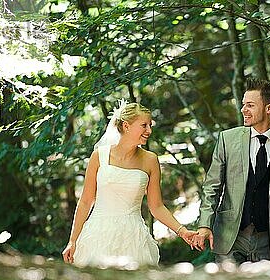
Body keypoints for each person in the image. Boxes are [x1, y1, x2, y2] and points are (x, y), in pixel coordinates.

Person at [193, 78, 270, 262]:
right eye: (243, 105)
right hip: (230, 238)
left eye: (250, 105)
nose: (243, 110)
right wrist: (205, 225)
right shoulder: (227, 139)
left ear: (268, 108)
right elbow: (212, 187)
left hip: (269, 240)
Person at [62, 101, 196, 266]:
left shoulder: (150, 160)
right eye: (144, 125)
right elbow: (85, 201)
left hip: (133, 237)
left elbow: (156, 207)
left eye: (150, 125)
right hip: (98, 234)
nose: (149, 131)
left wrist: (182, 231)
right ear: (126, 126)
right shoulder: (99, 156)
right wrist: (72, 241)